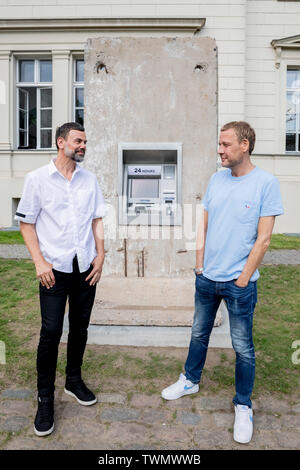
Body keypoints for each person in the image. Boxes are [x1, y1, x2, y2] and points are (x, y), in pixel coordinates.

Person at [161, 121, 284, 444]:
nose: (220, 150)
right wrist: (200, 266)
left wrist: (243, 279)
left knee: (243, 347)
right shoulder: (217, 179)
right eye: (219, 144)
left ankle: (243, 405)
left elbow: (264, 239)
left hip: (238, 283)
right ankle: (190, 379)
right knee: (198, 333)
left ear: (245, 145)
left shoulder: (266, 183)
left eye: (226, 144)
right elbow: (203, 225)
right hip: (207, 278)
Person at [15, 122, 106, 437]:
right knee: (51, 332)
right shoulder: (37, 180)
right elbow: (27, 225)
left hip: (86, 267)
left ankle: (73, 380)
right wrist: (39, 262)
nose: (83, 146)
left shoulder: (89, 180)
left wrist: (102, 255)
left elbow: (97, 219)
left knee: (80, 327)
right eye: (78, 141)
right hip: (53, 269)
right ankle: (44, 397)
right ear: (61, 142)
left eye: (85, 142)